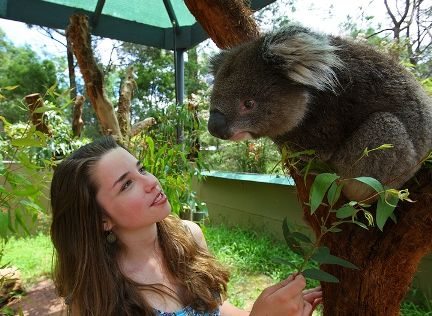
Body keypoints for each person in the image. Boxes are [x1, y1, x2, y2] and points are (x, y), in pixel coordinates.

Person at [50, 136, 322, 316]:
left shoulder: (188, 236)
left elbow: (216, 308)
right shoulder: (95, 296)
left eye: (142, 169)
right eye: (127, 184)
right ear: (101, 219)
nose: (151, 182)